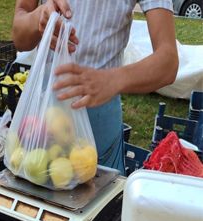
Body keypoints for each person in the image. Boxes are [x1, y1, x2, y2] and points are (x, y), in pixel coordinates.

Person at [12, 0, 178, 173]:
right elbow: (19, 38)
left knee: (98, 194)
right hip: (41, 116)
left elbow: (168, 62)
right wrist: (39, 17)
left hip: (97, 121)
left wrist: (113, 79)